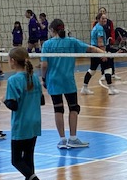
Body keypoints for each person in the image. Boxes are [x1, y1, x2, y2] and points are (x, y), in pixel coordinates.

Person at [4, 47, 54, 180]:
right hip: (34, 123)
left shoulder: (13, 80)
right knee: (28, 160)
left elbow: (13, 105)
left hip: (22, 125)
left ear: (12, 61)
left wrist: (4, 100)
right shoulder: (34, 77)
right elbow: (41, 101)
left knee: (16, 161)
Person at [41, 18, 104, 149]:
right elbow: (90, 48)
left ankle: (62, 140)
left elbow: (44, 65)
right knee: (73, 108)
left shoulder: (47, 44)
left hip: (53, 81)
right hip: (68, 81)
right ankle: (73, 138)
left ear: (52, 30)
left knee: (58, 109)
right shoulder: (71, 41)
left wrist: (43, 78)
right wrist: (104, 53)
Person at [82, 13, 119, 95]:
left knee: (92, 70)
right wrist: (103, 54)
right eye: (103, 18)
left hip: (94, 51)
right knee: (108, 68)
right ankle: (111, 89)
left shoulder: (97, 27)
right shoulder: (99, 28)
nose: (105, 20)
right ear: (98, 20)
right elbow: (100, 42)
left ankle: (84, 87)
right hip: (98, 50)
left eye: (105, 18)